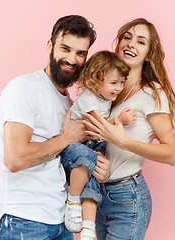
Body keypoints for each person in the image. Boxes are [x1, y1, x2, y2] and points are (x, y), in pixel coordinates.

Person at [0, 15, 109, 240]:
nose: (71, 59)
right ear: (50, 46)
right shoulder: (24, 88)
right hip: (25, 219)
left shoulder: (69, 104)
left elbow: (64, 164)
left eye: (80, 53)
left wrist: (96, 167)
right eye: (65, 48)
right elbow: (15, 159)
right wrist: (66, 138)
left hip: (62, 220)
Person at [83, 18, 175, 240]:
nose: (131, 44)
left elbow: (172, 154)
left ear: (148, 54)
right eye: (127, 38)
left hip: (127, 197)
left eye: (140, 41)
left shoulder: (153, 94)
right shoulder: (105, 89)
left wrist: (123, 141)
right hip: (97, 195)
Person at [59, 50, 133, 240]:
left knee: (92, 186)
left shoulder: (105, 99)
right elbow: (97, 128)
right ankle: (73, 201)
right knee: (85, 160)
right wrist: (120, 120)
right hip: (76, 146)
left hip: (93, 147)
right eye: (113, 83)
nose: (118, 88)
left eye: (122, 82)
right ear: (95, 79)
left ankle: (88, 228)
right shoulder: (88, 99)